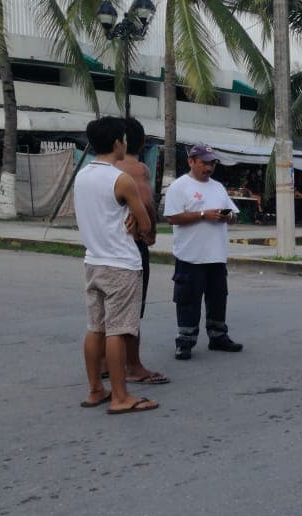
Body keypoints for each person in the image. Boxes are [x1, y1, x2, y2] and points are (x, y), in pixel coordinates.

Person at [73, 115, 159, 414]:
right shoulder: (121, 179)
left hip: (93, 260)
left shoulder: (81, 176)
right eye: (123, 139)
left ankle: (96, 389)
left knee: (95, 327)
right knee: (119, 331)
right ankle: (122, 396)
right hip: (121, 263)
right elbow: (146, 224)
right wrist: (138, 220)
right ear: (116, 143)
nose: (125, 143)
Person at [164, 143, 242, 360]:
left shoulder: (218, 187)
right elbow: (171, 217)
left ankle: (218, 336)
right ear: (191, 161)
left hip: (216, 255)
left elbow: (234, 214)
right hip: (190, 256)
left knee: (218, 298)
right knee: (188, 299)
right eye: (204, 163)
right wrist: (202, 215)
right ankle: (185, 341)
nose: (208, 168)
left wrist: (226, 215)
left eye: (212, 163)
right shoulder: (180, 186)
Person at [113, 117, 168, 384]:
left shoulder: (96, 169)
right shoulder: (137, 168)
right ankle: (133, 365)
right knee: (133, 310)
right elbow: (146, 202)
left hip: (103, 248)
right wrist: (151, 232)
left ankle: (105, 363)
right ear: (141, 141)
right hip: (131, 246)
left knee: (106, 312)